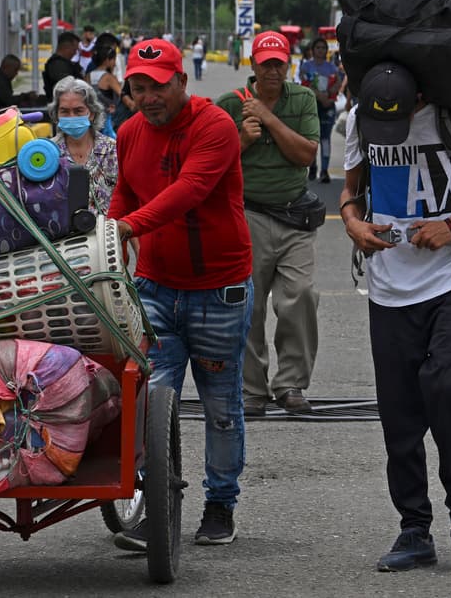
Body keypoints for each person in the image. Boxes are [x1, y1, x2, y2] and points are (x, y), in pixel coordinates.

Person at [338, 61, 451, 576]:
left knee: (447, 389)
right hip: (388, 287)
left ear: (419, 97)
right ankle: (414, 529)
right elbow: (349, 191)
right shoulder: (360, 120)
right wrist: (352, 223)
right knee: (399, 416)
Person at [107, 37, 252, 551]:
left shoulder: (215, 126)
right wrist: (110, 237)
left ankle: (220, 504)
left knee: (220, 405)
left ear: (182, 82)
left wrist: (130, 227)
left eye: (159, 86)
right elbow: (126, 191)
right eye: (138, 88)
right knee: (148, 401)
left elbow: (189, 190)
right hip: (154, 289)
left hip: (218, 290)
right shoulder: (129, 132)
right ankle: (154, 508)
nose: (149, 98)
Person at [216, 31, 321, 417]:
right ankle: (252, 388)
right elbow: (212, 162)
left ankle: (291, 383)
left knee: (301, 295)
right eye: (266, 64)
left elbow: (305, 155)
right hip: (248, 214)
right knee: (249, 303)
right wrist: (242, 140)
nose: (273, 71)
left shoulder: (303, 99)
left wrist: (268, 118)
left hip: (295, 215)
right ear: (253, 65)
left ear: (288, 64)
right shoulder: (230, 104)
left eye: (279, 63)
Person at [49, 77, 117, 215]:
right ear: (57, 114)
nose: (71, 117)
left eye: (78, 110)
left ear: (91, 113)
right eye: (64, 111)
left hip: (107, 226)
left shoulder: (111, 149)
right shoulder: (49, 152)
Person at [299, 37, 341, 183]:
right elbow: (305, 83)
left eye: (323, 48)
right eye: (318, 48)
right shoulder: (306, 66)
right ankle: (313, 166)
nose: (320, 50)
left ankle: (324, 170)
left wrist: (328, 95)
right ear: (312, 50)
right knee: (312, 138)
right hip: (312, 106)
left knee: (325, 138)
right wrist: (319, 96)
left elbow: (338, 83)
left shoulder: (332, 67)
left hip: (328, 106)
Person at [86, 43, 123, 137]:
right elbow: (122, 94)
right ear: (107, 60)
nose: (115, 63)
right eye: (114, 59)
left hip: (91, 118)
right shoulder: (109, 78)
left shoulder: (87, 76)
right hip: (107, 120)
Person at [43, 31, 82, 97]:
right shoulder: (57, 65)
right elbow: (67, 87)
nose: (75, 53)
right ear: (67, 47)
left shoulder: (63, 63)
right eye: (74, 50)